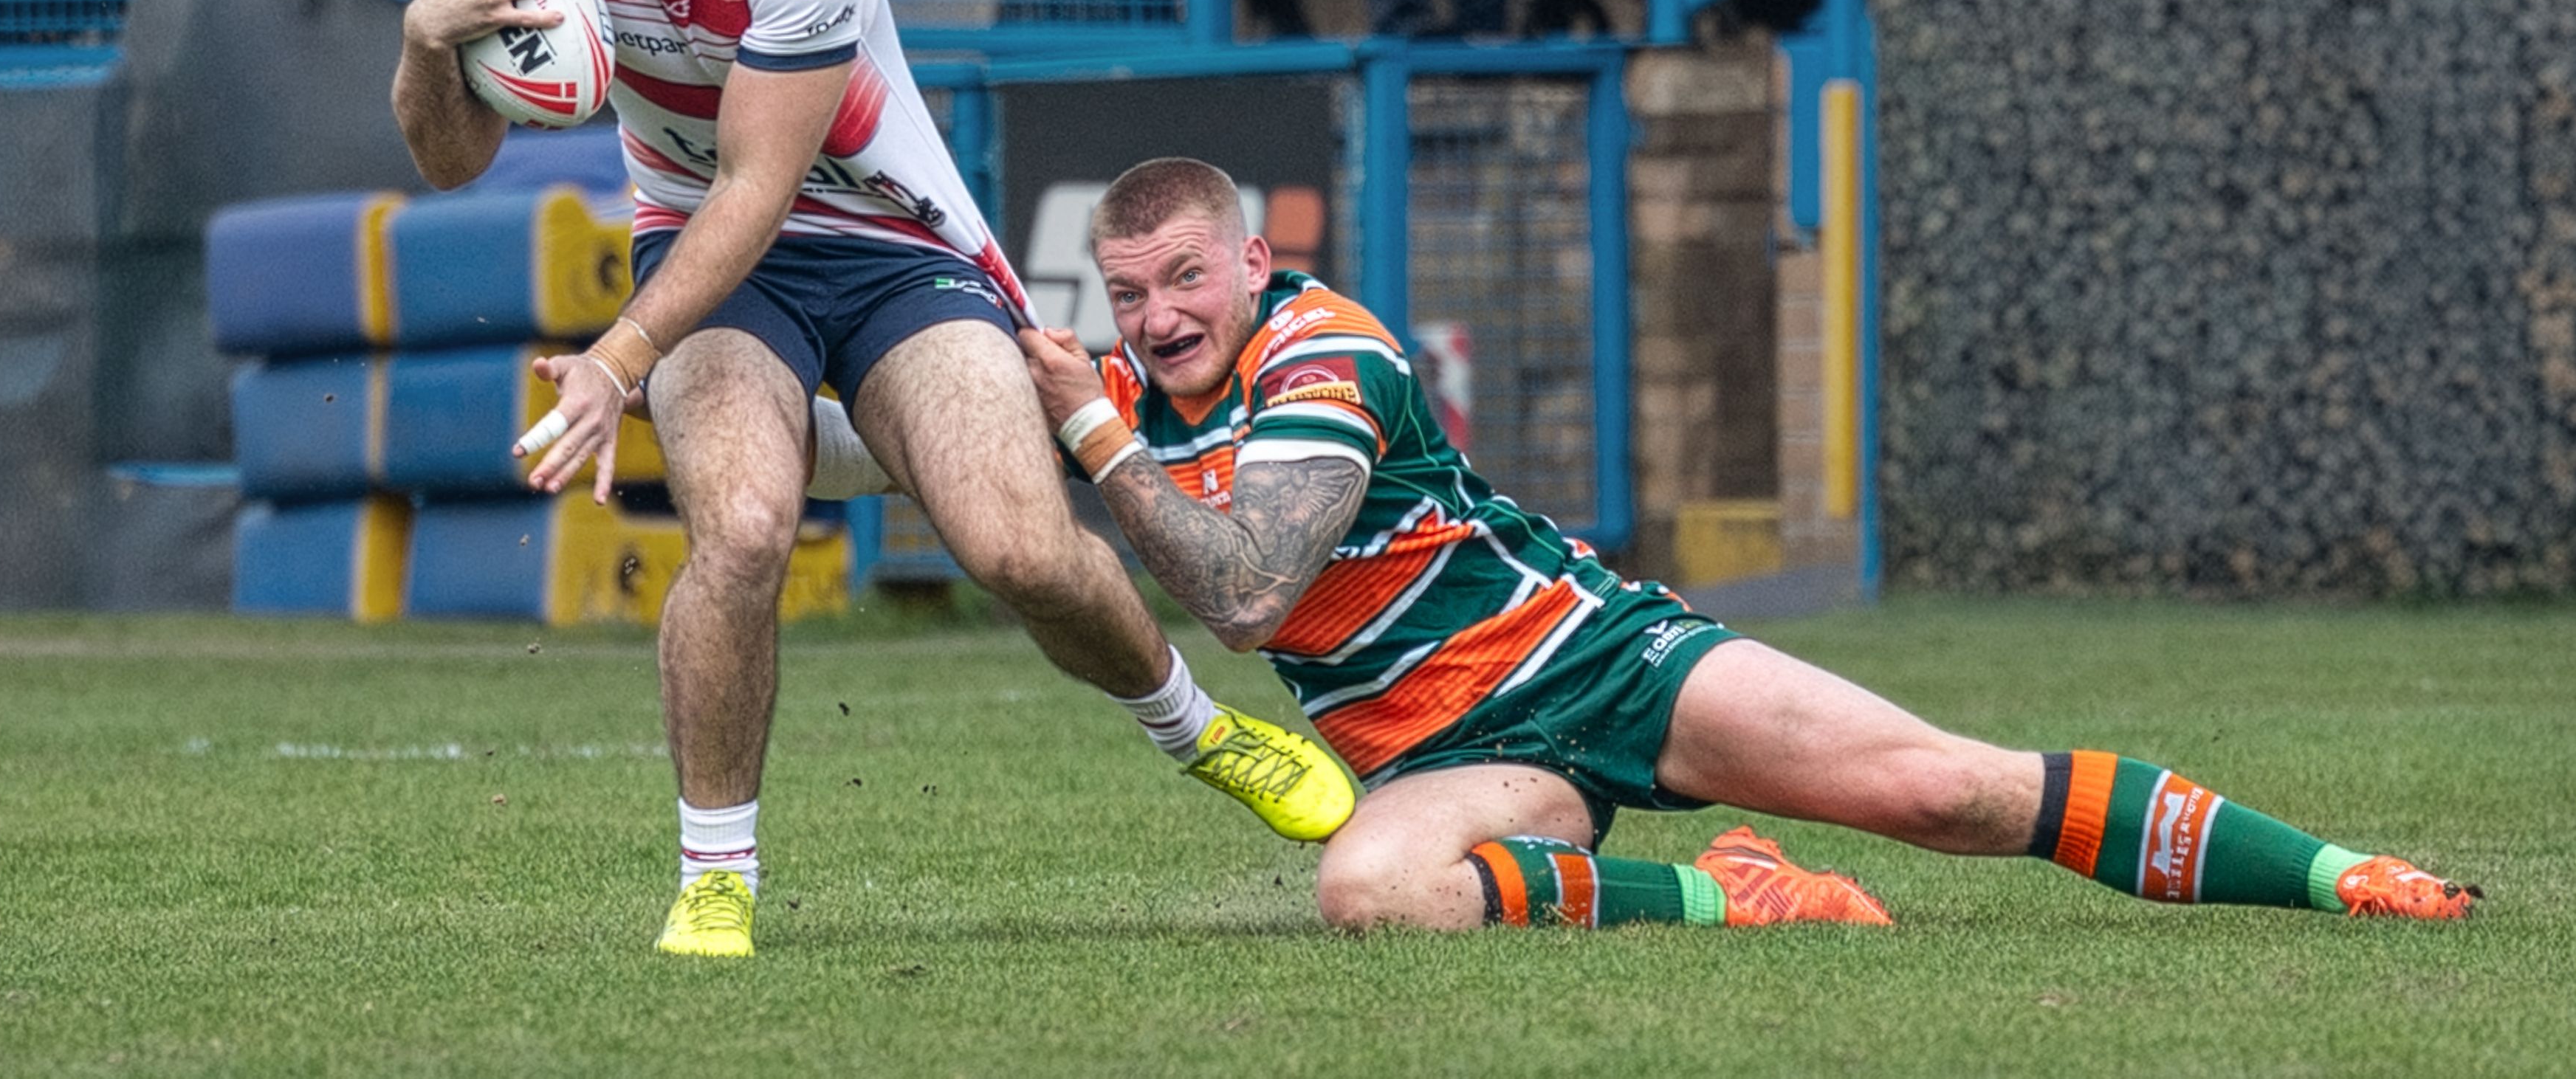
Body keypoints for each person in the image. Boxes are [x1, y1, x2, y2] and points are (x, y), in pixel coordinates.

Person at [388, 0, 1353, 959]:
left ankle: (1200, 729)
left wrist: (618, 358)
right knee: (740, 529)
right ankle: (717, 875)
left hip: (887, 241)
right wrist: (427, 39)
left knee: (1017, 549)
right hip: (704, 259)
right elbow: (451, 162)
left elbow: (758, 185)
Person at [1009, 157, 2480, 931]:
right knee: (1369, 892)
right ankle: (1738, 895)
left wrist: (1090, 432)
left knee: (1949, 791)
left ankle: (2345, 875)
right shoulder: (1121, 392)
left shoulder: (1323, 354)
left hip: (1597, 660)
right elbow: (946, 452)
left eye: (1184, 276)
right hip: (1446, 759)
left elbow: (1250, 591)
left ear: (1252, 260)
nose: (1157, 316)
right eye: (1128, 292)